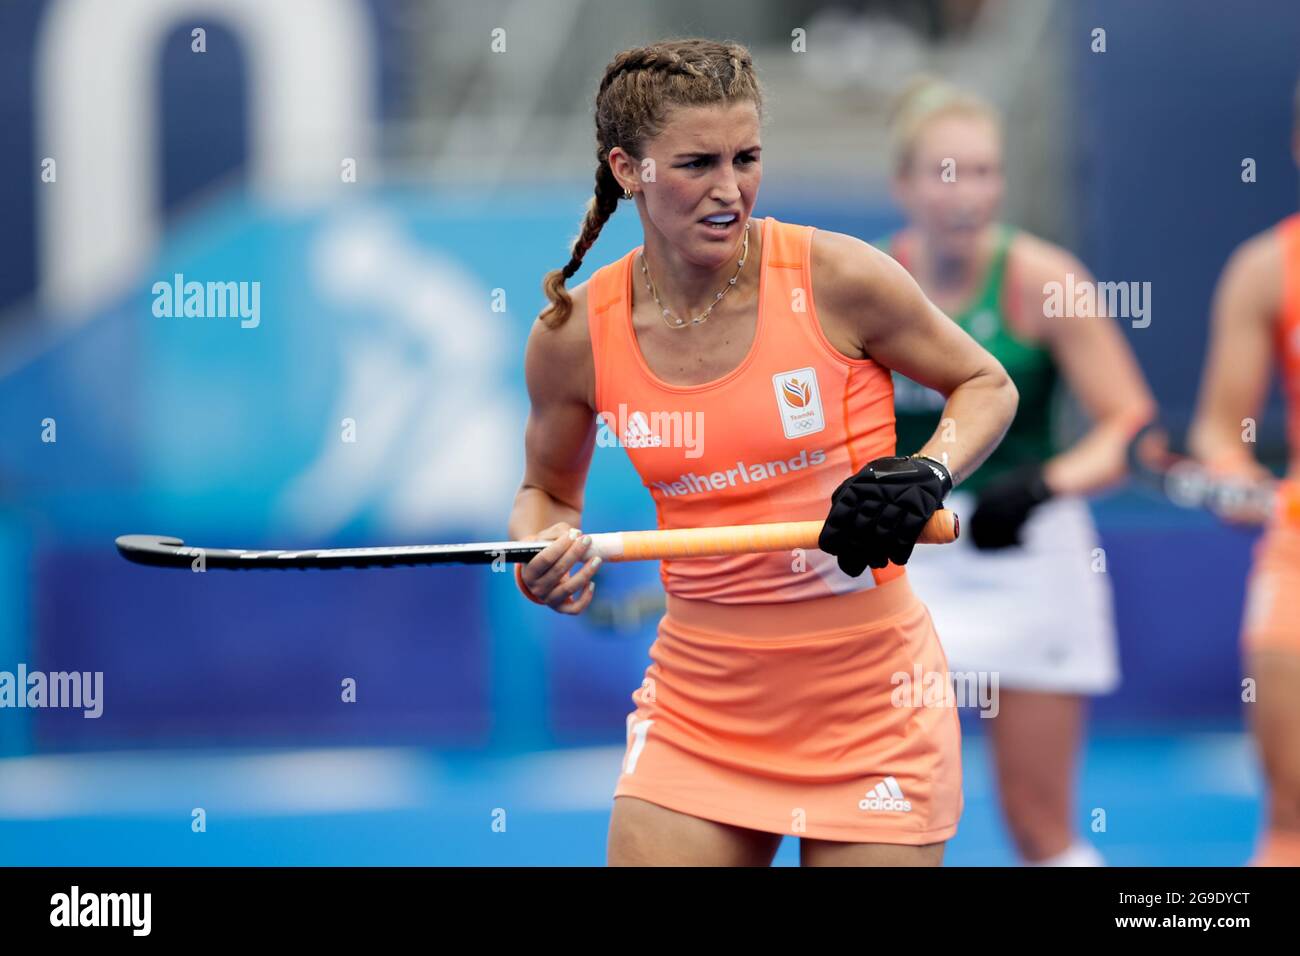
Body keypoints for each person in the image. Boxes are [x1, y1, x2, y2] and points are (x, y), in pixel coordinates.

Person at [507, 40, 1017, 866]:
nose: (729, 189)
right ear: (628, 168)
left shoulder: (840, 277)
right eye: (696, 163)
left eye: (746, 158)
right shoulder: (572, 337)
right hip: (698, 705)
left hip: (871, 700)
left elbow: (986, 385)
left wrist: (928, 470)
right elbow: (544, 493)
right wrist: (540, 551)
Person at [880, 78, 1155, 866]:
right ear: (903, 184)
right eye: (945, 172)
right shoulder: (868, 283)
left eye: (985, 171)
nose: (968, 193)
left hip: (1029, 548)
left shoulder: (1045, 279)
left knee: (1040, 826)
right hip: (912, 561)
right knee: (887, 812)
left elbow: (1128, 426)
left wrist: (1044, 487)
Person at [1186, 76, 1300, 867]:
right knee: (1292, 819)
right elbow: (1220, 430)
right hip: (1294, 557)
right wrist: (1234, 476)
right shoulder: (1264, 270)